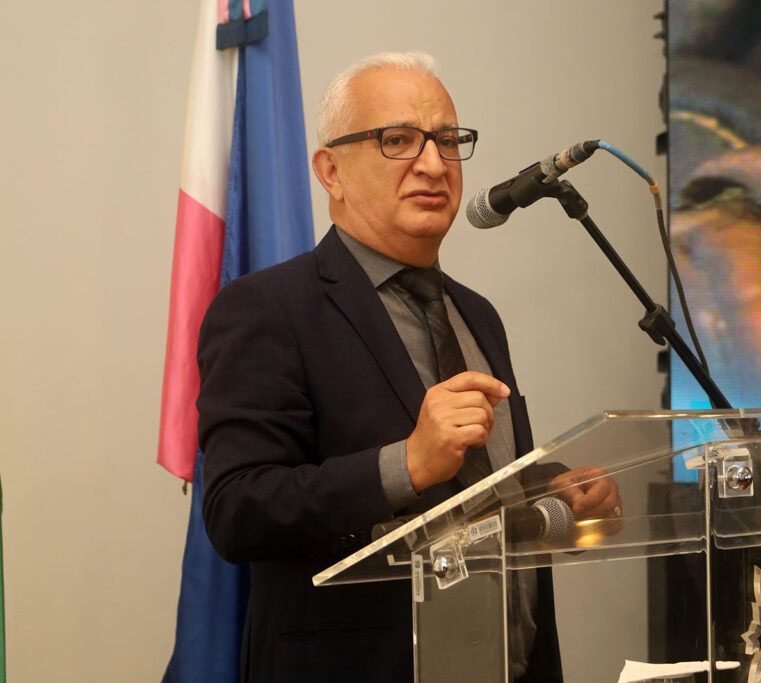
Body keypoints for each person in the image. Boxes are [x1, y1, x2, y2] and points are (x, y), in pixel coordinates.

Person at [197, 51, 617, 682]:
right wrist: (407, 464)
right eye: (397, 140)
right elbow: (238, 511)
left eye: (447, 140)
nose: (433, 164)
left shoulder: (477, 314)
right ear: (331, 171)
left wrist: (549, 489)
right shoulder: (267, 308)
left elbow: (470, 491)